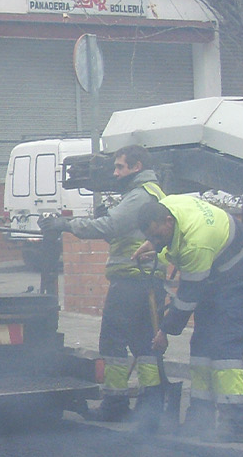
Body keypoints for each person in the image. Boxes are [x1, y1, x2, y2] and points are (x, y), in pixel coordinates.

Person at [37, 145, 166, 431]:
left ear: (137, 166)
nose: (115, 172)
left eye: (120, 167)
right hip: (145, 279)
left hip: (132, 279)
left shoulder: (139, 195)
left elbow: (109, 226)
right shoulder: (151, 192)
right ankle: (151, 405)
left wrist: (64, 224)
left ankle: (115, 404)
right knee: (144, 344)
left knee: (112, 343)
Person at [134, 195, 243, 443]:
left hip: (239, 276)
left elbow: (188, 297)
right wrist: (154, 246)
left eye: (157, 236)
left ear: (168, 221)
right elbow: (176, 250)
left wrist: (165, 331)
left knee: (225, 349)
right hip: (215, 272)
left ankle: (235, 423)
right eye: (150, 237)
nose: (155, 241)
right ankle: (200, 419)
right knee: (202, 345)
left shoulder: (197, 244)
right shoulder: (167, 206)